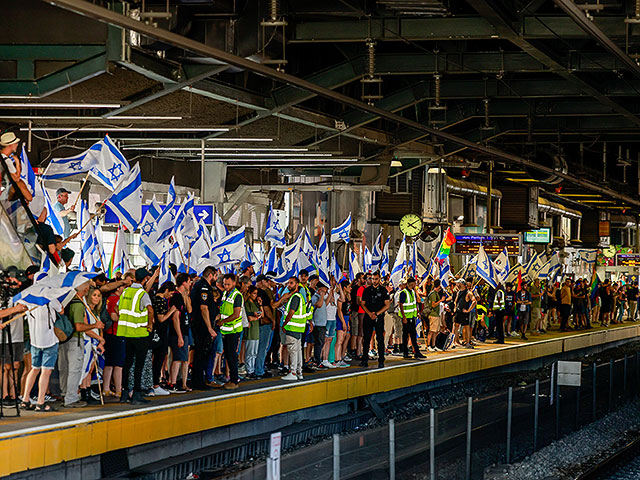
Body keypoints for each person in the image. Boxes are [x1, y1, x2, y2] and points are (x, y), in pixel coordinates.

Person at [59, 281, 104, 408]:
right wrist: (95, 325)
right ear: (84, 289)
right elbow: (79, 326)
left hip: (63, 339)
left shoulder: (67, 302)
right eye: (88, 287)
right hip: (74, 340)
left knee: (64, 369)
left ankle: (64, 394)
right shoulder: (78, 305)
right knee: (74, 370)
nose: (88, 289)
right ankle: (71, 398)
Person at [117, 268, 154, 405]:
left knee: (127, 363)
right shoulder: (142, 293)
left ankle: (124, 393)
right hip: (139, 333)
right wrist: (149, 325)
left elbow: (117, 307)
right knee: (139, 364)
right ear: (144, 279)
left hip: (126, 333)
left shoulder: (126, 291)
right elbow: (150, 309)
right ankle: (137, 393)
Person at [21, 299, 61, 412]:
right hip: (50, 340)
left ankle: (25, 400)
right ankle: (40, 402)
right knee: (46, 371)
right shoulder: (50, 298)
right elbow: (61, 310)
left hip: (35, 341)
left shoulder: (28, 298)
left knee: (34, 369)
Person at [190, 267, 218, 390]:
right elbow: (203, 308)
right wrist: (209, 328)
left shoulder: (201, 285)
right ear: (211, 275)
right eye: (216, 276)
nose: (216, 279)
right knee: (202, 353)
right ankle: (199, 381)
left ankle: (199, 379)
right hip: (202, 325)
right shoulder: (204, 287)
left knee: (202, 353)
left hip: (202, 324)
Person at [150, 281, 177, 396]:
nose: (170, 296)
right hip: (159, 333)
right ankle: (155, 384)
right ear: (166, 290)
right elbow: (161, 318)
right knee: (158, 358)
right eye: (170, 294)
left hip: (157, 333)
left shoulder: (154, 298)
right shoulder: (159, 301)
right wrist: (171, 311)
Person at [360, 271, 390, 368]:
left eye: (376, 279)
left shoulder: (383, 290)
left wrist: (377, 314)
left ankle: (381, 360)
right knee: (367, 338)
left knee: (380, 338)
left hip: (379, 317)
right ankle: (365, 359)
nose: (374, 281)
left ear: (379, 279)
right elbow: (362, 303)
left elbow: (387, 305)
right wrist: (369, 313)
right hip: (368, 316)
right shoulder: (367, 290)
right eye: (372, 279)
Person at [218, 273, 243, 390]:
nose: (226, 286)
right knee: (228, 356)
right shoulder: (225, 294)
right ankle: (231, 379)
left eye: (228, 284)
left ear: (234, 282)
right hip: (226, 331)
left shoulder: (237, 295)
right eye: (224, 284)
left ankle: (234, 380)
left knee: (232, 356)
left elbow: (236, 314)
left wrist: (223, 321)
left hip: (233, 330)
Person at [168, 274, 192, 393]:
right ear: (183, 283)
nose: (190, 284)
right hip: (178, 332)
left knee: (183, 359)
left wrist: (186, 296)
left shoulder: (183, 296)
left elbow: (189, 310)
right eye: (189, 282)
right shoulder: (176, 297)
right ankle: (173, 383)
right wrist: (179, 336)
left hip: (184, 330)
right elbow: (175, 318)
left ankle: (182, 383)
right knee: (177, 358)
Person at [281, 276, 307, 381]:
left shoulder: (295, 297)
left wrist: (284, 324)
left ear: (297, 285)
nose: (288, 285)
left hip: (292, 327)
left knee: (292, 350)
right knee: (298, 351)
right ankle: (299, 371)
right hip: (299, 328)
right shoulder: (300, 297)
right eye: (288, 283)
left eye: (291, 283)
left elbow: (291, 312)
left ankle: (292, 372)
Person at [398, 277, 425, 359]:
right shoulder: (404, 292)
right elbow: (401, 305)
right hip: (406, 317)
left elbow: (414, 303)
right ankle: (405, 352)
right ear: (412, 283)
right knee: (405, 335)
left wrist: (417, 313)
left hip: (412, 316)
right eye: (415, 283)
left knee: (413, 335)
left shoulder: (413, 292)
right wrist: (404, 317)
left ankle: (416, 352)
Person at [255, 275, 276, 378]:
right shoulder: (262, 293)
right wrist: (273, 320)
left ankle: (259, 368)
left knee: (259, 348)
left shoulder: (255, 292)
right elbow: (267, 308)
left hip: (258, 324)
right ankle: (259, 370)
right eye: (267, 281)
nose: (269, 283)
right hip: (264, 324)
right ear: (262, 281)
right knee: (262, 348)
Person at [244, 285, 262, 378]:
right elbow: (249, 318)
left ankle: (253, 369)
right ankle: (249, 370)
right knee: (250, 352)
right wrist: (256, 317)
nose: (255, 295)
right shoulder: (247, 304)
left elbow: (261, 314)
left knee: (254, 352)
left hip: (256, 330)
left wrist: (260, 304)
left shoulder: (255, 304)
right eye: (254, 293)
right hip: (250, 331)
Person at [311, 282, 329, 368]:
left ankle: (318, 360)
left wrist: (330, 293)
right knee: (318, 343)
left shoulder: (322, 298)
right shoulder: (315, 297)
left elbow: (325, 304)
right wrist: (321, 296)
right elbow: (319, 305)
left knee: (321, 343)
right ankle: (317, 361)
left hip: (322, 324)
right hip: (317, 324)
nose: (325, 292)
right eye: (324, 290)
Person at [454, 278, 476, 348]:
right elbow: (455, 301)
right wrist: (455, 307)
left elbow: (474, 301)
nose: (457, 285)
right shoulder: (458, 292)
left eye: (458, 283)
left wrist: (468, 310)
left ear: (461, 284)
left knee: (467, 327)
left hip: (464, 313)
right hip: (458, 312)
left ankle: (468, 342)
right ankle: (456, 341)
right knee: (456, 326)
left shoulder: (468, 292)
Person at [335, 280, 351, 367]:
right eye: (349, 287)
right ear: (344, 288)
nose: (350, 288)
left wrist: (347, 323)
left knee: (344, 338)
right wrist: (343, 323)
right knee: (339, 340)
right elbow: (339, 310)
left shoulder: (347, 297)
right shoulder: (340, 297)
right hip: (341, 319)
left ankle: (341, 357)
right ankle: (337, 359)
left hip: (346, 318)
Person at [425, 279, 444, 351]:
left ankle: (433, 345)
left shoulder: (435, 293)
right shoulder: (433, 294)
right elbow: (433, 305)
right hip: (433, 314)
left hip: (436, 314)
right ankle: (429, 345)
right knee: (431, 331)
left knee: (436, 331)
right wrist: (440, 300)